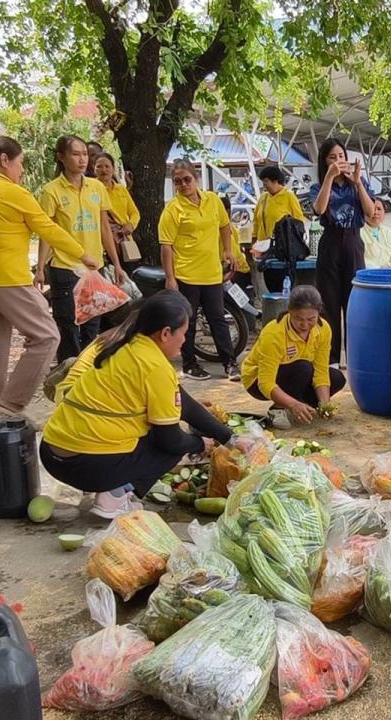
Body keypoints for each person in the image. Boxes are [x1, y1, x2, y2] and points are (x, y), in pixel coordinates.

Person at [40, 291, 233, 518]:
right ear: (165, 333)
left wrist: (228, 437)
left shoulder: (125, 347)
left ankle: (110, 486)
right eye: (184, 333)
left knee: (156, 427)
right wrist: (199, 443)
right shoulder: (155, 366)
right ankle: (114, 496)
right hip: (84, 467)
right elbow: (171, 441)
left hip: (52, 455)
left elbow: (184, 404)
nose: (185, 340)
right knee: (172, 443)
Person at [0, 136, 99, 418]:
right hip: (8, 279)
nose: (23, 169)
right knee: (46, 336)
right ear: (5, 160)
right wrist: (83, 255)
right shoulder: (15, 193)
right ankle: (10, 406)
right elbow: (48, 229)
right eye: (21, 163)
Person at [36, 135, 126, 363]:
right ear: (61, 157)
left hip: (94, 268)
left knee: (92, 325)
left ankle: (87, 371)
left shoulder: (96, 187)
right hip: (65, 268)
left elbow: (105, 228)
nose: (82, 159)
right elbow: (46, 232)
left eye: (85, 154)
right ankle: (68, 374)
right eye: (75, 154)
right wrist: (40, 268)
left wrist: (116, 264)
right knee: (68, 325)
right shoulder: (51, 191)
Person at [160, 158, 239, 381]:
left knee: (218, 319)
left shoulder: (212, 200)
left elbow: (225, 226)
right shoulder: (173, 209)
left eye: (187, 179)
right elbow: (166, 245)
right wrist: (170, 278)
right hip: (186, 274)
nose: (183, 185)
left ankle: (230, 363)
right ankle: (189, 364)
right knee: (189, 320)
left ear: (196, 179)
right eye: (178, 181)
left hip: (211, 273)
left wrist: (228, 250)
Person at [241, 285, 347, 425]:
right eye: (298, 319)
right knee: (303, 367)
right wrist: (293, 404)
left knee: (337, 378)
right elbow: (265, 383)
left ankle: (303, 406)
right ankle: (278, 408)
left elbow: (321, 371)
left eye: (311, 319)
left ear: (319, 313)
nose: (305, 325)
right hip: (257, 381)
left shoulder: (323, 329)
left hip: (297, 374)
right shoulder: (273, 333)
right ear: (290, 312)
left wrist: (325, 404)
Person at [311, 139, 375, 365]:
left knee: (354, 303)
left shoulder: (358, 182)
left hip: (353, 242)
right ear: (324, 162)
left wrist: (358, 184)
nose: (338, 161)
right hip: (330, 243)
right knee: (328, 303)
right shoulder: (319, 186)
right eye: (332, 157)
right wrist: (329, 178)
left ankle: (354, 358)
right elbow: (319, 209)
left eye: (341, 156)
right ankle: (331, 360)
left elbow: (370, 212)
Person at [94, 152, 141, 265]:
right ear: (94, 169)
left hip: (124, 240)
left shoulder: (121, 189)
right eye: (99, 166)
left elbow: (134, 212)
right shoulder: (91, 189)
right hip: (101, 243)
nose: (104, 170)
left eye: (107, 166)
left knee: (129, 272)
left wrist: (131, 225)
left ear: (113, 169)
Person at [252, 165, 306, 246]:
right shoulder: (263, 198)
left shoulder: (289, 197)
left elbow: (299, 222)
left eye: (266, 181)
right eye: (263, 182)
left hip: (282, 246)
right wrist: (254, 239)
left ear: (275, 181)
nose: (264, 185)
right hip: (262, 245)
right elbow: (256, 221)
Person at [361, 196, 391, 268]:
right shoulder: (358, 232)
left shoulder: (388, 232)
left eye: (379, 209)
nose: (375, 212)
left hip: (390, 272)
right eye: (372, 208)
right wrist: (380, 269)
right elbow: (360, 260)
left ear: (384, 212)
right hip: (370, 273)